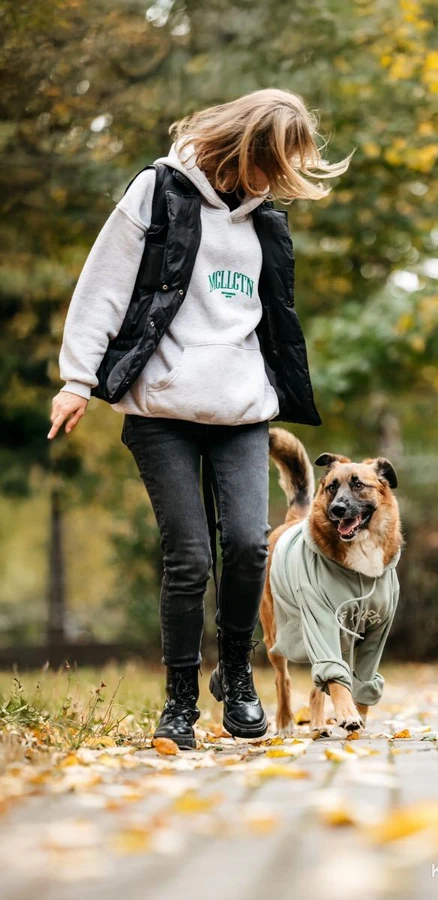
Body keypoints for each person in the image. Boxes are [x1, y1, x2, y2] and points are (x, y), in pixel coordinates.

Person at [48, 88, 351, 747]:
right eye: (272, 164)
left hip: (240, 409)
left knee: (246, 545)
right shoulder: (160, 190)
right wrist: (77, 380)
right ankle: (180, 701)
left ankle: (235, 676)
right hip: (161, 407)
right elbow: (103, 285)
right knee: (188, 556)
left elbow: (272, 319)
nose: (276, 180)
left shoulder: (264, 220)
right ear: (244, 148)